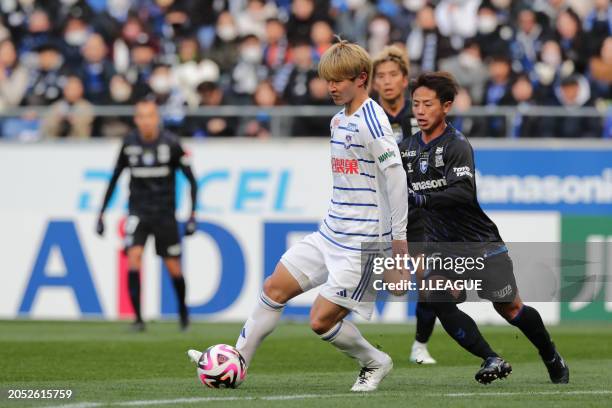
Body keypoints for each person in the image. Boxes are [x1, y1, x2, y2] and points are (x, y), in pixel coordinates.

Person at [188, 40, 409, 392]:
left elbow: (396, 178)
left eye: (339, 80)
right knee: (274, 288)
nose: (331, 87)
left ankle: (374, 361)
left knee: (320, 321)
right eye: (328, 80)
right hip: (330, 232)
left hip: (363, 242)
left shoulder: (372, 120)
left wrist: (398, 248)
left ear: (362, 78)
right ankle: (238, 360)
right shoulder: (339, 120)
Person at [401, 71, 569, 384]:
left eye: (428, 104)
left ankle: (550, 355)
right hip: (441, 246)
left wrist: (421, 198)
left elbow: (463, 191)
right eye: (416, 104)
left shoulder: (457, 145)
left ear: (446, 106)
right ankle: (491, 357)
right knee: (434, 294)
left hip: (480, 243)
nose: (420, 111)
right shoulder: (406, 148)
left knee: (510, 308)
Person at [96, 98, 198, 332]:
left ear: (157, 118)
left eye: (150, 116)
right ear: (136, 120)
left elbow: (193, 181)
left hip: (164, 214)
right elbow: (114, 177)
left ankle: (183, 314)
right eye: (141, 117)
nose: (146, 121)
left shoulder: (172, 143)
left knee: (173, 266)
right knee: (134, 257)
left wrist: (193, 214)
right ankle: (138, 319)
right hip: (138, 212)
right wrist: (101, 213)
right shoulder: (129, 143)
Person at [372, 45, 437, 365]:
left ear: (404, 79)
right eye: (380, 76)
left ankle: (420, 345)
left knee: (428, 277)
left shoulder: (420, 114)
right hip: (378, 210)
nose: (386, 82)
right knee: (393, 285)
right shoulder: (369, 116)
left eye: (392, 75)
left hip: (418, 210)